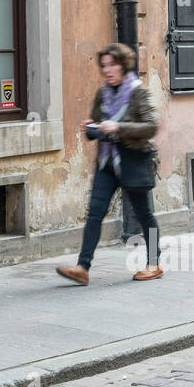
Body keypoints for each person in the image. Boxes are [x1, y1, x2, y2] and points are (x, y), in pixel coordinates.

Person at [56, 43, 162, 285]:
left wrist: (119, 127)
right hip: (107, 163)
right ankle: (83, 268)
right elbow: (98, 129)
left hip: (133, 161)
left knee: (145, 215)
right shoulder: (102, 93)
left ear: (123, 66)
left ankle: (154, 263)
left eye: (112, 65)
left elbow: (151, 126)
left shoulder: (138, 92)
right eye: (104, 66)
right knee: (95, 214)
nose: (107, 70)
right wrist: (91, 128)